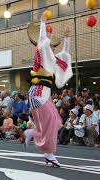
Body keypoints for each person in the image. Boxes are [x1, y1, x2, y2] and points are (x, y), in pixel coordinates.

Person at [27, 17, 72, 167]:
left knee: (56, 121)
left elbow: (65, 55)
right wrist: (43, 25)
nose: (52, 48)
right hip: (37, 95)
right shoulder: (39, 54)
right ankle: (49, 154)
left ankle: (32, 133)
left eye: (53, 46)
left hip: (45, 95)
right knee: (50, 122)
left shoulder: (52, 60)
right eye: (50, 45)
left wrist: (67, 38)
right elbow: (42, 42)